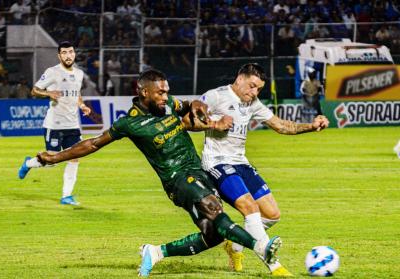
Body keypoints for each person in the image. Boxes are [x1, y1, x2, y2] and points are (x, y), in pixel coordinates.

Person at [30, 69, 282, 277]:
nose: (166, 95)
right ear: (144, 92)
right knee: (215, 212)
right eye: (160, 92)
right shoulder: (129, 123)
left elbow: (190, 105)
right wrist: (56, 156)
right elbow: (92, 143)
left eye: (167, 90)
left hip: (198, 171)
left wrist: (201, 112)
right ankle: (263, 250)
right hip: (177, 180)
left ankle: (156, 252)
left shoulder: (169, 105)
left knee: (213, 234)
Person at [198, 63, 329, 276]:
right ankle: (273, 265)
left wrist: (311, 127)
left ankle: (235, 244)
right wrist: (214, 124)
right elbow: (189, 120)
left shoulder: (253, 103)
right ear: (240, 79)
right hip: (217, 162)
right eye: (251, 86)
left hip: (241, 162)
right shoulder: (216, 96)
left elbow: (280, 126)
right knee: (250, 208)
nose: (254, 92)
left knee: (272, 214)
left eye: (258, 89)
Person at [17, 41, 91, 206]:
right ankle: (29, 163)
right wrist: (48, 92)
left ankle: (66, 196)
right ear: (59, 56)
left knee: (74, 158)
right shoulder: (52, 72)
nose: (68, 55)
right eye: (64, 52)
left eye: (70, 52)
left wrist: (82, 105)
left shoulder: (79, 74)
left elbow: (76, 93)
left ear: (74, 54)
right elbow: (34, 90)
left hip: (72, 124)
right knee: (51, 160)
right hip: (54, 124)